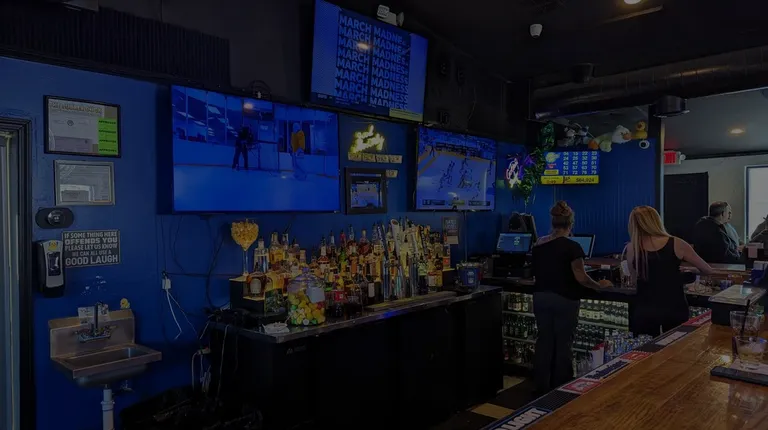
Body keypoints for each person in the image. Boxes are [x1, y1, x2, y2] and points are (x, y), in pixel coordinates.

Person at [531, 201, 610, 395]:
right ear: (570, 224)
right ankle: (561, 389)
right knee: (563, 344)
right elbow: (581, 277)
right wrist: (599, 286)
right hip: (564, 299)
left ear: (553, 222)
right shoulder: (573, 247)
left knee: (544, 342)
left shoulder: (539, 244)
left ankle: (540, 388)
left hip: (540, 297)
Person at [626, 206, 714, 337]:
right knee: (676, 345)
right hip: (674, 307)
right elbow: (707, 270)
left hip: (645, 309)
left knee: (647, 348)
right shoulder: (676, 243)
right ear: (656, 221)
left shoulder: (632, 247)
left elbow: (634, 279)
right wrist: (691, 271)